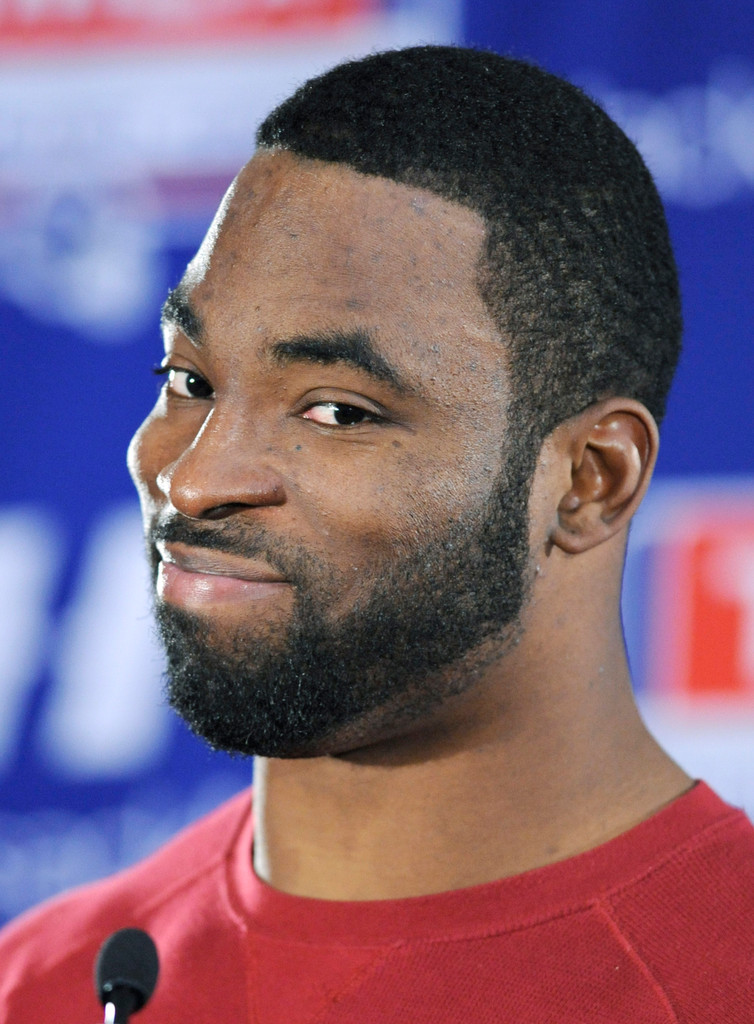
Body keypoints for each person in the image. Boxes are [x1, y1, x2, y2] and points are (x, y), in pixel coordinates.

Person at [2, 44, 752, 1023]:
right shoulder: (42, 985)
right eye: (189, 381)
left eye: (336, 411)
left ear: (588, 480)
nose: (189, 477)